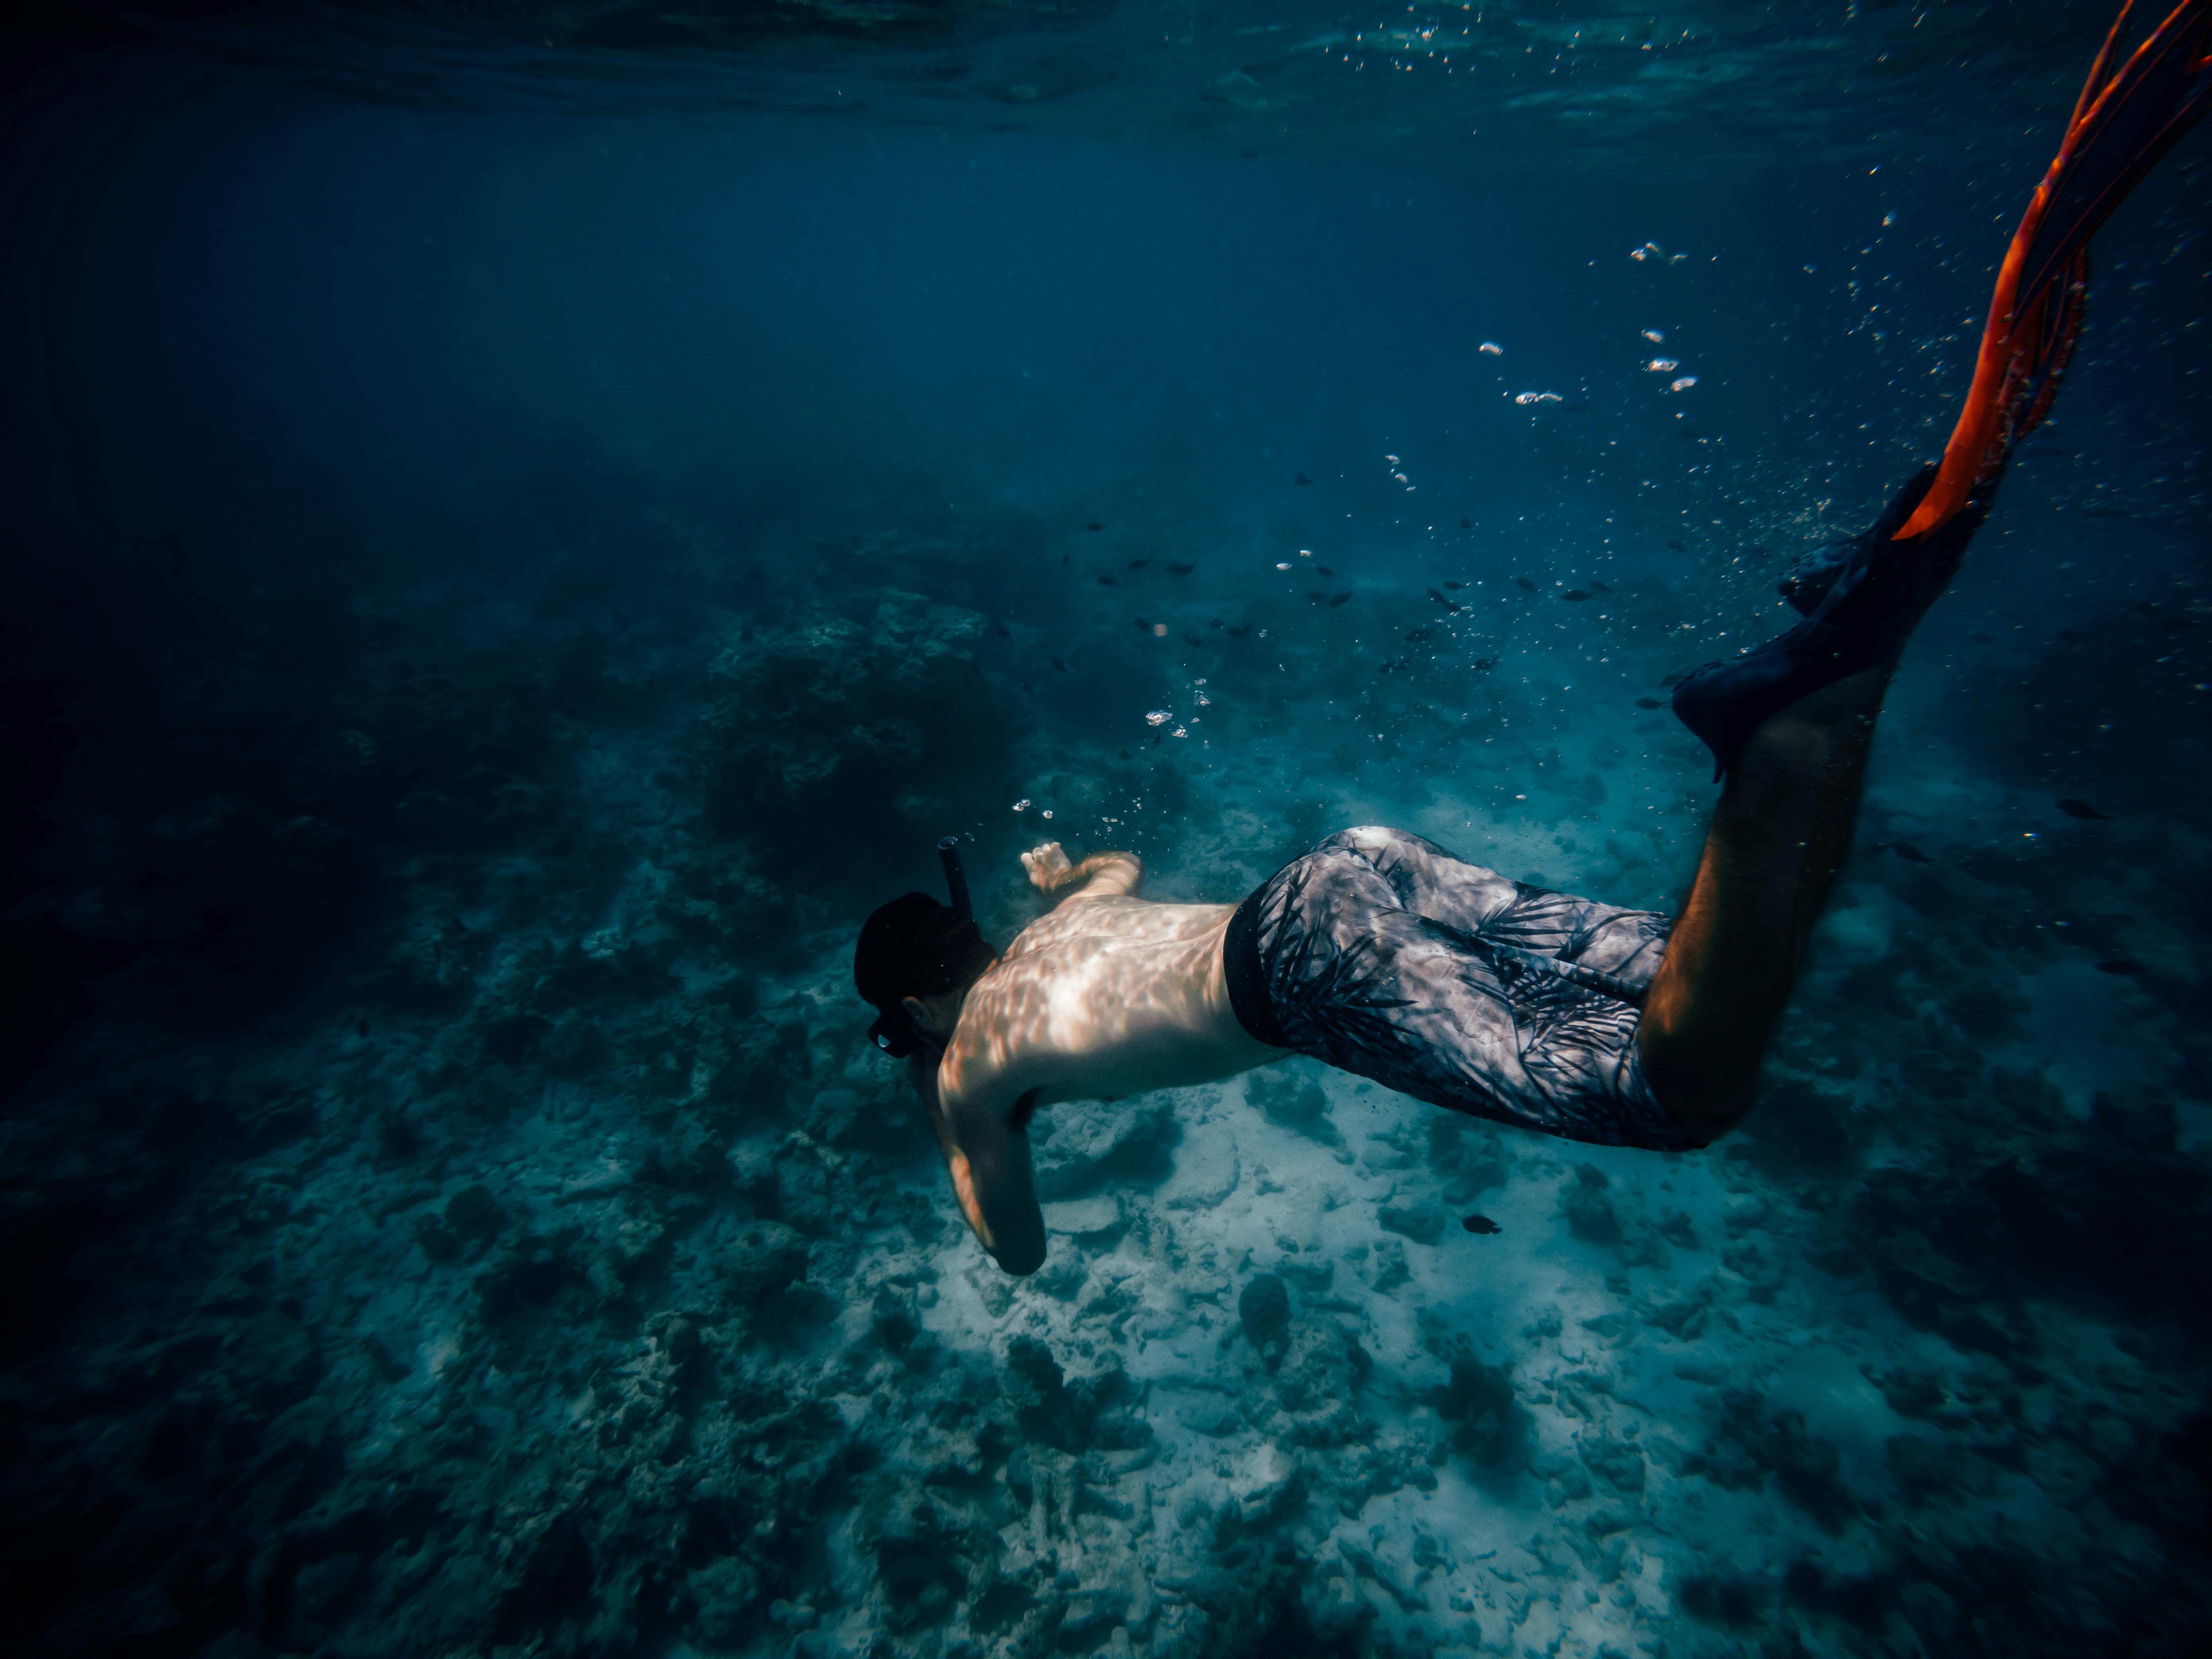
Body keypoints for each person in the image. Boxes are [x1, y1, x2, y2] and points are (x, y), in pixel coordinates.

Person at [854, 0, 2212, 1275]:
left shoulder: (974, 1057)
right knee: (1690, 963)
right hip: (1350, 865)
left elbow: (1011, 1245)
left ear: (920, 1011)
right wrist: (1062, 879)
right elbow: (1122, 861)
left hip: (1306, 963)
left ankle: (1788, 732)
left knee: (1677, 1090)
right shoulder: (1063, 923)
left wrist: (942, 1087)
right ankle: (1840, 664)